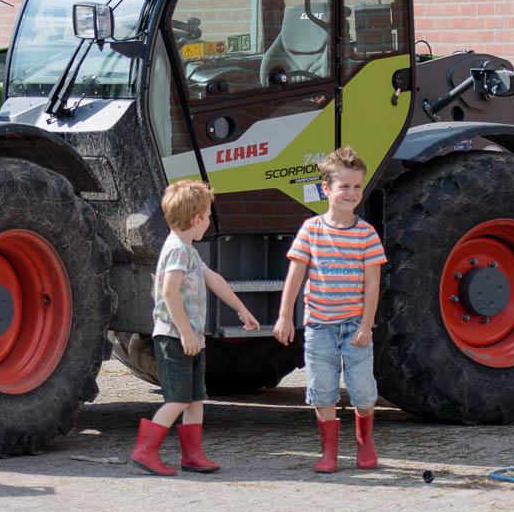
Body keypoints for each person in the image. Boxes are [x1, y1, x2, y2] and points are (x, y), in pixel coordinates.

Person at [131, 179, 261, 475]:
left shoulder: (188, 250)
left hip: (191, 339)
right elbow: (169, 292)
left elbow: (212, 278)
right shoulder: (177, 250)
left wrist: (241, 309)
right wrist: (186, 333)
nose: (210, 221)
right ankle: (145, 451)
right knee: (179, 398)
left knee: (195, 399)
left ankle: (193, 455)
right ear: (196, 219)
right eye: (208, 216)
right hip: (175, 338)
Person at [272, 147, 387, 471]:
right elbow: (295, 275)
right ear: (326, 189)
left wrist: (366, 325)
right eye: (344, 186)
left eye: (357, 186)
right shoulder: (311, 230)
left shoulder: (366, 235)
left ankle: (365, 443)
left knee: (363, 391)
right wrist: (285, 316)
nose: (352, 193)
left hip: (354, 327)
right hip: (319, 328)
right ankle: (329, 452)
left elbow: (372, 284)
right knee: (322, 390)